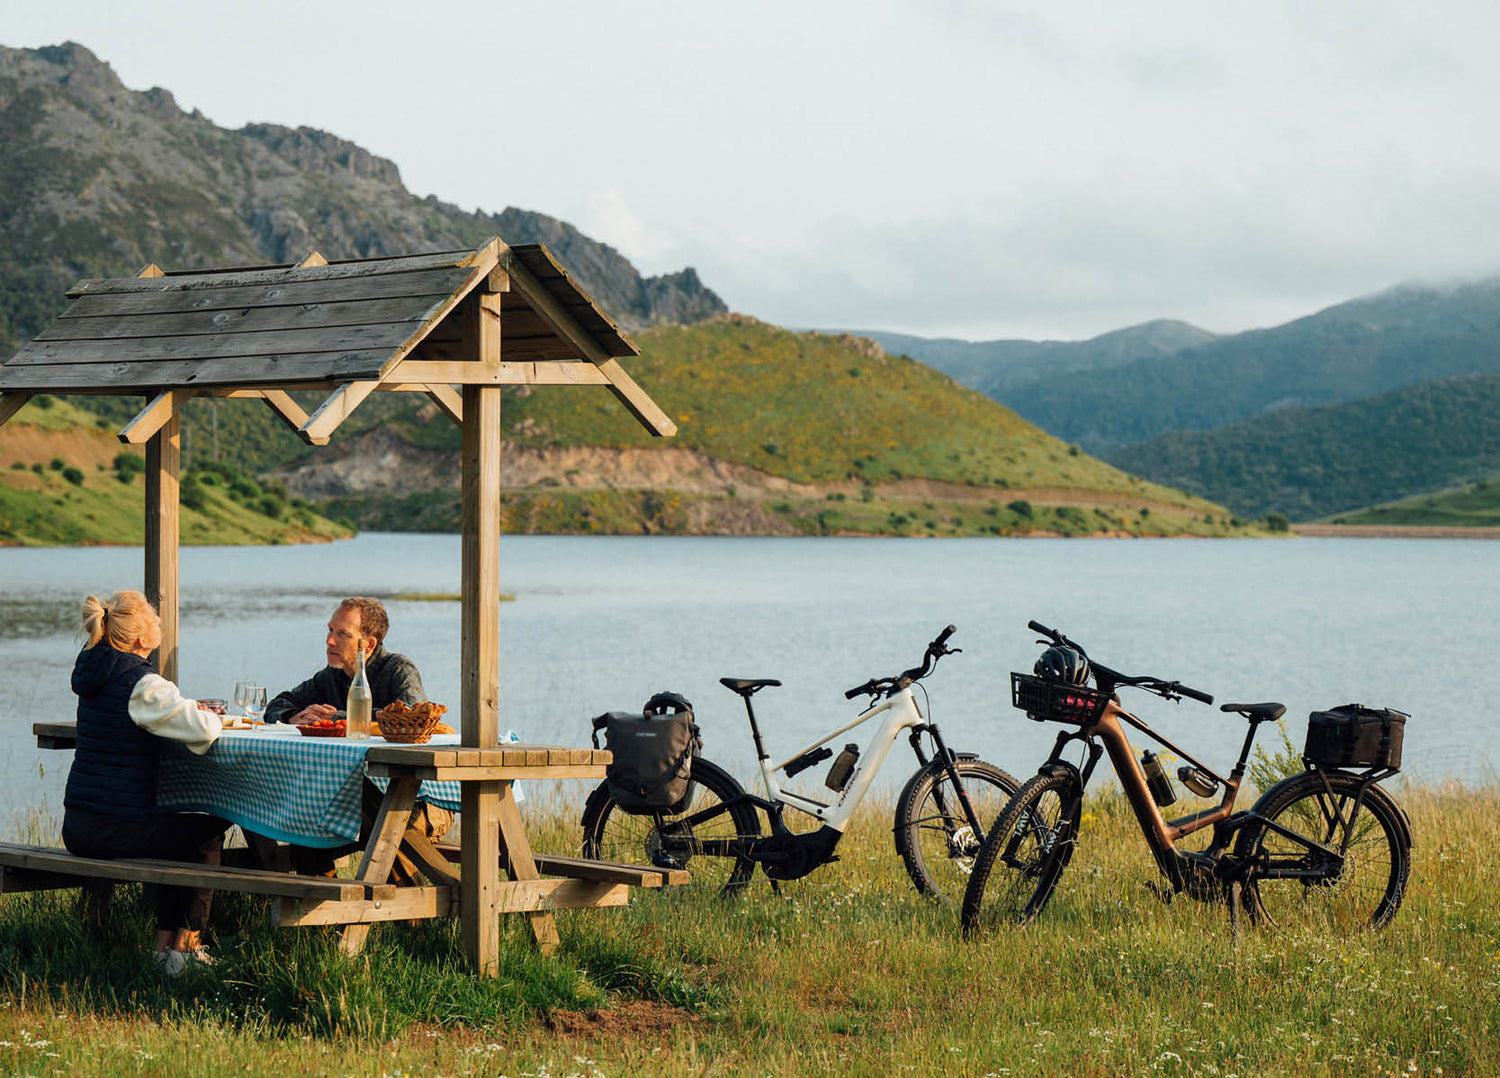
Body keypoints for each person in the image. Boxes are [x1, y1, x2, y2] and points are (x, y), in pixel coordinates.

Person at [62, 590, 229, 977]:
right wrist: (211, 714)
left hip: (80, 825)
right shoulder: (142, 683)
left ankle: (163, 951)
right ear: (140, 638)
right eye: (154, 617)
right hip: (114, 829)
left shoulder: (96, 672)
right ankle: (186, 953)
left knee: (177, 831)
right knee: (206, 832)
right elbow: (203, 728)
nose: (160, 621)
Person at [265, 597, 452, 874]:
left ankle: (405, 914)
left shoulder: (398, 669)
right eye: (330, 630)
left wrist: (337, 718)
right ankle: (319, 909)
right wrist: (294, 716)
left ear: (369, 644)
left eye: (342, 634)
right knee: (307, 826)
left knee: (383, 827)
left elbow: (413, 717)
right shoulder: (330, 676)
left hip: (419, 801)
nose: (329, 641)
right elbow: (276, 705)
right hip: (358, 802)